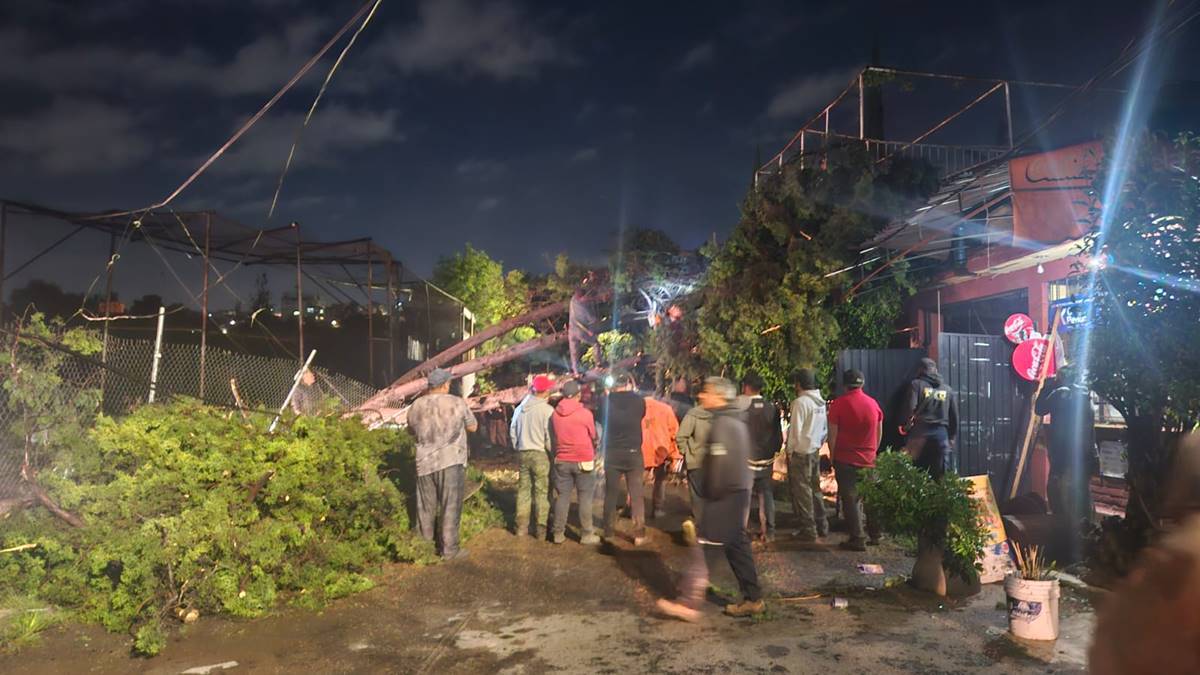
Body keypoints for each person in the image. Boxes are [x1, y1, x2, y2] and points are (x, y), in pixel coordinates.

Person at [656, 377, 765, 621]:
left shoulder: (724, 424)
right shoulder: (733, 420)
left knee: (704, 551)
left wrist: (711, 494)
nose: (702, 396)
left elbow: (721, 465)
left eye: (706, 392)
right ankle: (753, 598)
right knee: (738, 548)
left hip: (723, 498)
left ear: (719, 396)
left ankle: (689, 604)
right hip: (735, 495)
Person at [406, 368, 478, 560]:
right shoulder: (456, 403)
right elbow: (473, 426)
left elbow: (411, 431)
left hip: (424, 462)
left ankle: (423, 549)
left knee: (425, 507)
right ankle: (449, 550)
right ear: (446, 384)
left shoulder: (416, 405)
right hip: (451, 461)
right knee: (450, 506)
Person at [1035, 366, 1097, 531]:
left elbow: (1039, 408)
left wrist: (1048, 386)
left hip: (1063, 453)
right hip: (1084, 453)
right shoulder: (1086, 395)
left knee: (1058, 491)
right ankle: (1085, 529)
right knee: (1082, 492)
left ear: (1062, 378)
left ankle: (1064, 530)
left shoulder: (1061, 394)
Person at [828, 369, 883, 552]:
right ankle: (876, 534)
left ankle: (858, 538)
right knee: (871, 498)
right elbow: (878, 431)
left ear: (845, 385)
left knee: (850, 499)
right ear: (862, 384)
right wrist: (872, 450)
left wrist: (833, 457)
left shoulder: (838, 404)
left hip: (846, 459)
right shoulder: (873, 404)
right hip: (869, 459)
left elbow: (833, 435)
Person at [550, 380, 600, 545]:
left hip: (562, 460)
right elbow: (593, 435)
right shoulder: (585, 414)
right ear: (578, 395)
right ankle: (586, 534)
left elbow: (553, 436)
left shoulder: (555, 414)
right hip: (583, 460)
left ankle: (558, 533)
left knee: (563, 496)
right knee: (584, 498)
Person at [601, 371, 648, 545]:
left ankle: (608, 532)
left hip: (612, 453)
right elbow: (642, 415)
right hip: (634, 453)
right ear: (629, 383)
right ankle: (639, 534)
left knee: (611, 493)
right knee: (636, 494)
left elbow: (600, 419)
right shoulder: (638, 401)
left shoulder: (605, 401)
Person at [510, 374, 556, 539]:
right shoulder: (547, 411)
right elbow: (549, 437)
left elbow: (513, 431)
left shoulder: (519, 409)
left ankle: (521, 527)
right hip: (540, 454)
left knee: (523, 490)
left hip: (523, 453)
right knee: (542, 492)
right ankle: (541, 529)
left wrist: (518, 446)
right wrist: (553, 453)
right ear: (545, 391)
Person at [738, 372, 783, 542]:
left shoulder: (743, 410)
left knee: (744, 495)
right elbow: (778, 437)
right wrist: (773, 452)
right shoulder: (772, 408)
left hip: (746, 460)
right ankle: (769, 532)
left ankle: (741, 532)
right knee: (766, 495)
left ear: (746, 387)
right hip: (766, 460)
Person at [786, 368, 829, 545]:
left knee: (803, 492)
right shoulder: (821, 402)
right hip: (814, 451)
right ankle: (822, 525)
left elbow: (795, 431)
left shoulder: (800, 403)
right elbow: (825, 430)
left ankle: (809, 530)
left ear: (799, 384)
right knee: (815, 489)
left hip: (801, 453)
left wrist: (789, 451)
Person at [900, 357, 959, 480]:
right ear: (935, 370)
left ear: (921, 370)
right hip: (941, 434)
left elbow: (911, 408)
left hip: (920, 432)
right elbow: (954, 416)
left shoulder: (916, 384)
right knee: (941, 474)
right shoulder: (947, 389)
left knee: (913, 473)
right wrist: (952, 437)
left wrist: (906, 425)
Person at [641, 393, 681, 519]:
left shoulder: (636, 409)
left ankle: (632, 507)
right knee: (660, 481)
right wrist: (675, 456)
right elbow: (675, 433)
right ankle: (657, 509)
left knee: (637, 482)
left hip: (641, 450)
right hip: (662, 451)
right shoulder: (666, 409)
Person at [676, 396, 714, 528]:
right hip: (714, 462)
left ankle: (700, 523)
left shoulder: (693, 414)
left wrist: (686, 452)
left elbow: (681, 436)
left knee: (696, 494)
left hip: (695, 461)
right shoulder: (720, 415)